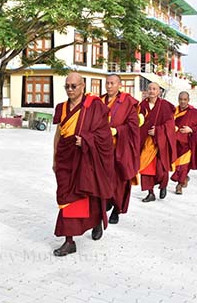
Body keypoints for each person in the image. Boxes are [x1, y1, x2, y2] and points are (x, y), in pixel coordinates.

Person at [52, 72, 115, 256]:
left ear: (83, 86)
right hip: (66, 158)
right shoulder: (61, 107)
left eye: (74, 86)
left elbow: (104, 135)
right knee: (64, 196)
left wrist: (87, 140)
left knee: (88, 193)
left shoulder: (94, 106)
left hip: (86, 159)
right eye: (67, 86)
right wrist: (54, 157)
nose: (70, 90)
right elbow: (59, 133)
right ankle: (69, 241)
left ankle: (92, 224)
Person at [101, 74, 140, 224]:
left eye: (112, 83)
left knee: (120, 180)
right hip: (103, 149)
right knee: (104, 178)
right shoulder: (100, 101)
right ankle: (107, 201)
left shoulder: (128, 102)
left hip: (121, 148)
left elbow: (133, 126)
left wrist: (118, 131)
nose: (109, 86)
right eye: (107, 83)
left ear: (119, 85)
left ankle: (116, 209)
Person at [138, 82, 177, 202]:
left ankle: (163, 185)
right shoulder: (142, 105)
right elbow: (137, 122)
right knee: (145, 167)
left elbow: (170, 124)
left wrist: (158, 131)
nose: (151, 91)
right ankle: (150, 193)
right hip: (145, 141)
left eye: (154, 89)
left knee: (161, 168)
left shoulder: (165, 105)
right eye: (149, 88)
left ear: (159, 91)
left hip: (160, 143)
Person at [170, 91, 197, 194]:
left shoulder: (196, 113)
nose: (182, 102)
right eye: (180, 99)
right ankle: (184, 178)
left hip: (187, 144)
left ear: (188, 100)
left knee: (183, 165)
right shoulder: (172, 111)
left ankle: (179, 185)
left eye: (185, 99)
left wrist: (191, 130)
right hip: (174, 143)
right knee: (175, 165)